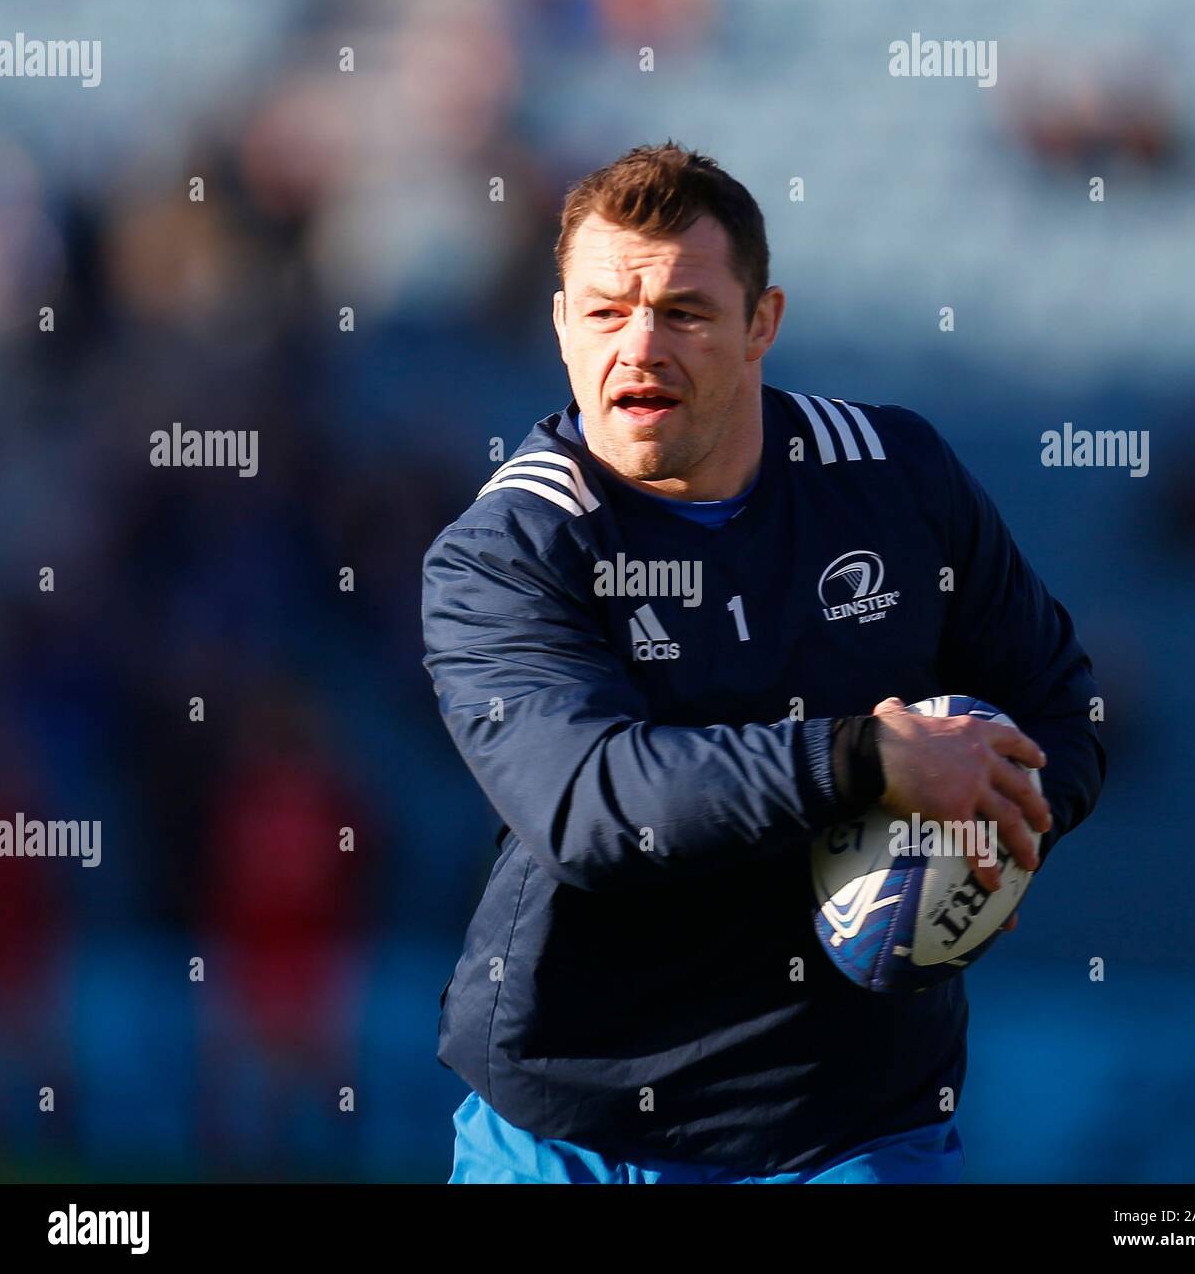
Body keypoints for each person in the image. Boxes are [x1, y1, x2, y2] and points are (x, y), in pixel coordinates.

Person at [421, 141, 1105, 1184]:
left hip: (853, 1121)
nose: (640, 345)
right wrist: (864, 759)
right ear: (560, 326)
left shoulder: (893, 478)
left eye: (685, 311)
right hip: (578, 1122)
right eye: (605, 311)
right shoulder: (508, 549)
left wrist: (1001, 829)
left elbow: (1061, 706)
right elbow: (590, 806)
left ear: (762, 325)